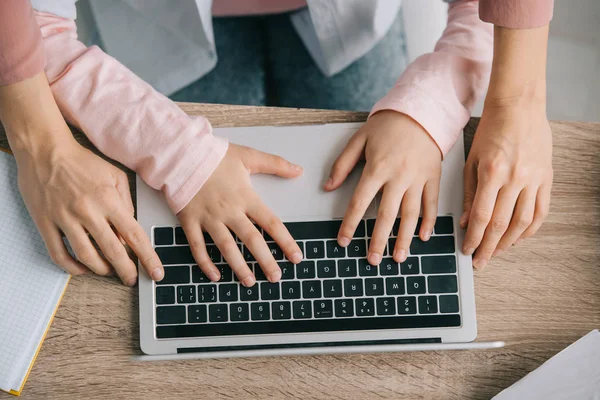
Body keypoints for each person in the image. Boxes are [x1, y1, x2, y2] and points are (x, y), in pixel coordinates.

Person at [0, 0, 553, 287]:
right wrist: (178, 154)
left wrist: (444, 106)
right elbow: (36, 25)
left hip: (354, 20)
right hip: (158, 24)